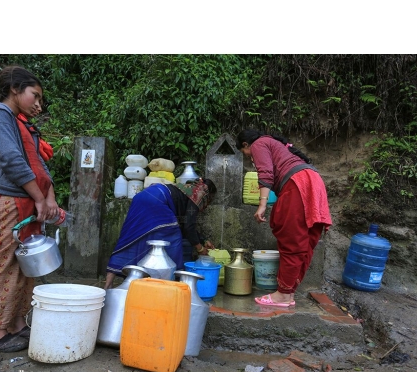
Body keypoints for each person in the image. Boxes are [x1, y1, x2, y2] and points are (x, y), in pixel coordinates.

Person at [0, 65, 60, 352]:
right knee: (3, 264)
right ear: (15, 89)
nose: (38, 103)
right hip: (11, 200)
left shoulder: (18, 121)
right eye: (34, 95)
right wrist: (40, 198)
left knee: (25, 266)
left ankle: (16, 324)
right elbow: (13, 161)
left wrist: (49, 198)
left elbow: (37, 162)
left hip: (25, 200)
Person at [236, 128, 332, 307]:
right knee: (306, 242)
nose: (249, 157)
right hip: (314, 182)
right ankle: (288, 294)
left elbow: (265, 173)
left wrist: (262, 204)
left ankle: (282, 294)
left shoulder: (259, 144)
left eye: (245, 153)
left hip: (297, 183)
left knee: (292, 241)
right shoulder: (277, 145)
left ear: (245, 144)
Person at [105, 178, 217, 289]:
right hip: (157, 201)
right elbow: (188, 227)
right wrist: (200, 249)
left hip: (141, 197)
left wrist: (203, 240)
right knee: (174, 236)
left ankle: (108, 283)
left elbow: (185, 224)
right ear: (208, 195)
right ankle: (173, 282)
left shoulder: (185, 190)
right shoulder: (198, 195)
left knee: (129, 238)